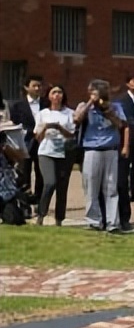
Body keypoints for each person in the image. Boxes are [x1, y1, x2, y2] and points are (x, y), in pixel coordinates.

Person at [74, 79, 127, 232]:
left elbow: (120, 125)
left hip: (110, 149)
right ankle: (93, 221)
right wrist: (91, 102)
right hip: (91, 149)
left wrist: (108, 112)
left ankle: (112, 222)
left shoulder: (116, 106)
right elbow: (77, 119)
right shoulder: (84, 106)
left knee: (111, 187)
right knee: (91, 187)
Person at [33, 85, 76, 226]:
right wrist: (45, 127)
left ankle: (59, 219)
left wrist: (59, 128)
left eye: (60, 92)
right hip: (46, 152)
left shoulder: (69, 113)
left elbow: (71, 135)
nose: (57, 95)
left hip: (64, 153)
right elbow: (37, 137)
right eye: (54, 92)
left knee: (62, 186)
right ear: (49, 96)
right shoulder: (43, 113)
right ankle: (41, 214)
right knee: (50, 182)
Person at [9, 75, 45, 201]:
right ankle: (25, 199)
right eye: (34, 85)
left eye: (39, 86)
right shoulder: (18, 105)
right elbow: (14, 123)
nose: (37, 88)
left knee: (41, 172)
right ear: (26, 87)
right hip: (26, 142)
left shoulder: (46, 103)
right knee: (24, 172)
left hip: (43, 142)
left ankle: (39, 199)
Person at [116, 73, 134, 203]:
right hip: (127, 137)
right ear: (128, 84)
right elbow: (125, 120)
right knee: (124, 165)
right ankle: (124, 191)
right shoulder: (121, 100)